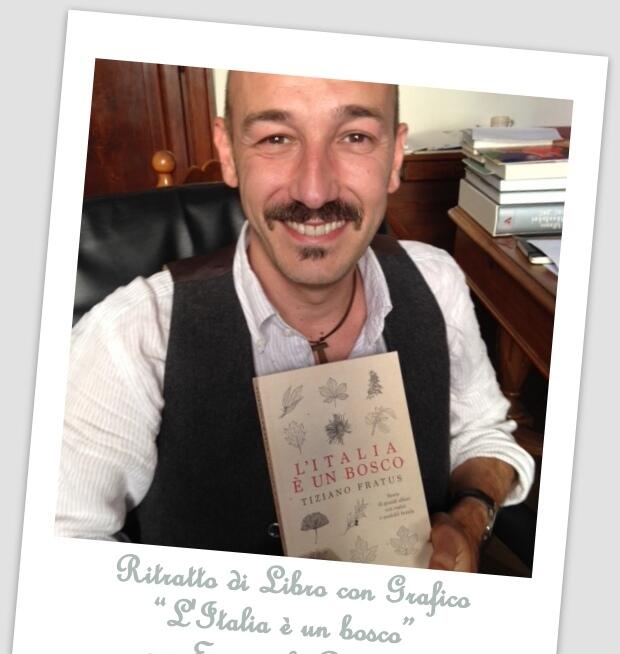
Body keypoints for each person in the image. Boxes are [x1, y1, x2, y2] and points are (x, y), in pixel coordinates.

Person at [56, 72, 534, 572]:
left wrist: (469, 520)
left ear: (395, 157)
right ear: (228, 152)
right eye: (276, 139)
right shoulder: (131, 337)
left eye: (355, 137)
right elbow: (57, 558)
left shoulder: (436, 281)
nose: (314, 191)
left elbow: (483, 433)